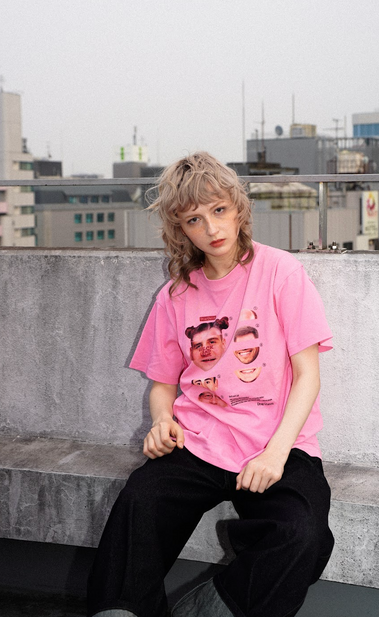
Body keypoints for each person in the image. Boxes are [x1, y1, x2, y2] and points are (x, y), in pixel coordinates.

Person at [87, 152, 334, 617]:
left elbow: (308, 375)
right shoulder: (176, 294)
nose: (212, 228)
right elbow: (163, 384)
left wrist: (276, 453)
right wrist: (161, 422)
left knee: (303, 535)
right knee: (138, 503)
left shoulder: (281, 272)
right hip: (198, 439)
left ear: (239, 207)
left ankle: (209, 608)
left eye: (219, 210)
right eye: (195, 219)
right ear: (181, 229)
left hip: (278, 442)